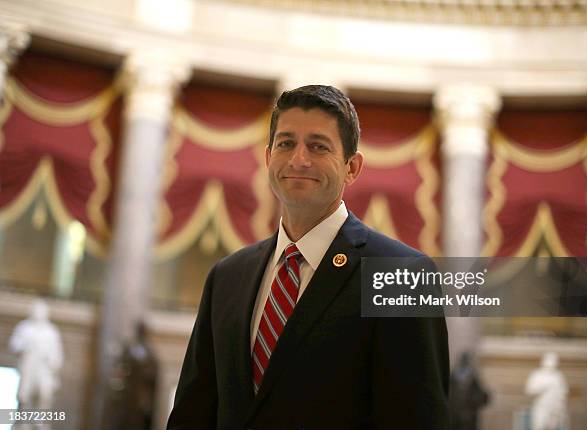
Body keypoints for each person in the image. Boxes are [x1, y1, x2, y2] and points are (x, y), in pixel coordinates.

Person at [168, 85, 449, 429]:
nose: (299, 159)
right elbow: (193, 413)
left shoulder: (401, 276)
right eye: (286, 143)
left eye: (318, 146)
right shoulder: (227, 276)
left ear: (352, 167)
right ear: (269, 157)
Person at [8, 299, 63, 410]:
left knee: (44, 392)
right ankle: (23, 422)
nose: (38, 313)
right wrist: (25, 347)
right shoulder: (24, 328)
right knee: (25, 395)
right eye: (36, 310)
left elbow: (57, 352)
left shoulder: (51, 331)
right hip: (28, 366)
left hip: (43, 367)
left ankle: (40, 422)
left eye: (41, 311)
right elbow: (14, 345)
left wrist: (53, 362)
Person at [449, 352, 489, 430]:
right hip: (456, 416)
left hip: (468, 416)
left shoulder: (472, 377)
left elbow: (481, 395)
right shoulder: (453, 376)